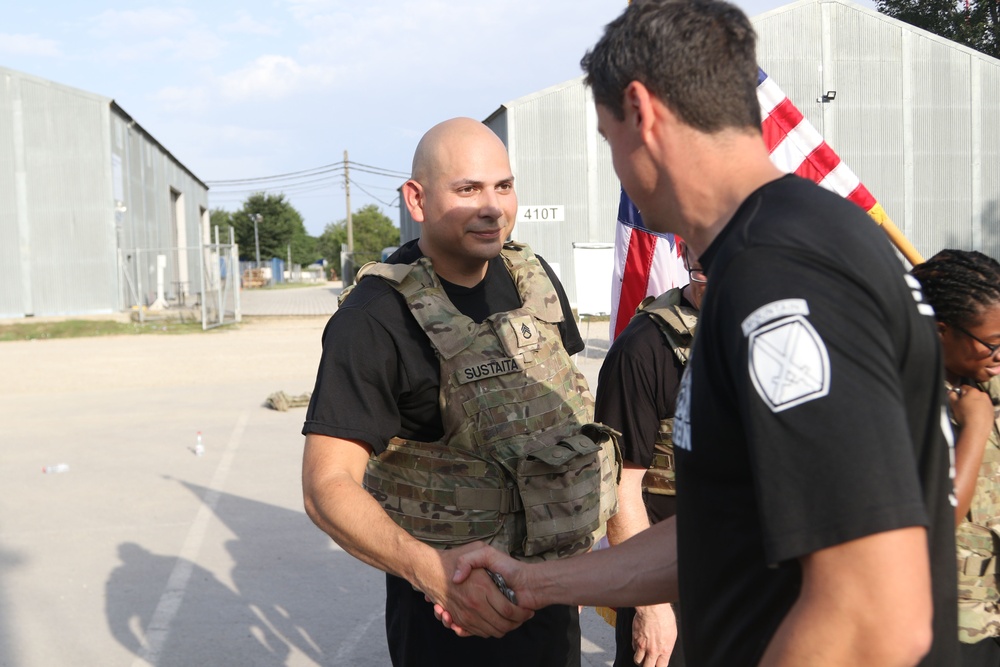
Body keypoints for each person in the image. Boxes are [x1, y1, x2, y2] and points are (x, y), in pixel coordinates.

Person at [439, 1, 959, 665]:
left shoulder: (783, 275)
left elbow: (874, 618)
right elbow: (726, 530)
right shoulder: (768, 254)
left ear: (642, 111)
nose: (618, 169)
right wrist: (537, 581)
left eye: (608, 139)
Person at [300, 116, 620, 667]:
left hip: (551, 598)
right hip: (450, 621)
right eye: (468, 188)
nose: (492, 206)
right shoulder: (376, 316)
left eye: (503, 185)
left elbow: (576, 420)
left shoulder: (533, 278)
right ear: (417, 200)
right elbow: (326, 484)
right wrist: (433, 574)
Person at [596, 243, 704, 667]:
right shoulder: (645, 348)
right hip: (669, 581)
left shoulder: (778, 333)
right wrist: (650, 604)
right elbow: (621, 486)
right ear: (684, 250)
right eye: (703, 271)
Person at [911, 249, 1000, 665]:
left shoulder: (986, 387)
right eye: (992, 344)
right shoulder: (905, 402)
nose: (999, 355)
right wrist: (976, 426)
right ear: (941, 330)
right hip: (949, 626)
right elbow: (935, 518)